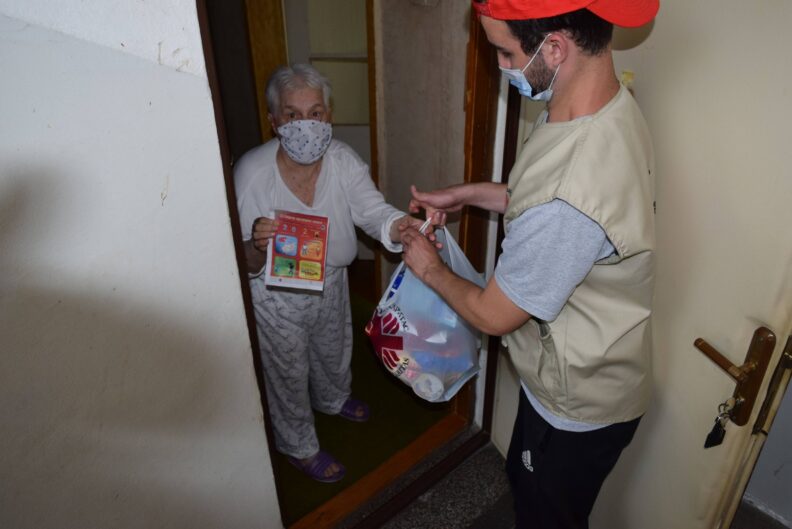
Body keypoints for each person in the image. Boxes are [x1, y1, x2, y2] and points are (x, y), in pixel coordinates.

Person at [400, 0, 659, 527]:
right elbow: (538, 194)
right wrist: (469, 194)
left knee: (546, 516)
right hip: (576, 370)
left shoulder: (571, 193)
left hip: (575, 406)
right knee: (526, 485)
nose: (500, 66)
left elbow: (495, 315)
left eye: (504, 51)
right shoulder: (601, 106)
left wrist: (428, 267)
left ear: (555, 47)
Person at [234, 63, 426, 483]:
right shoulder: (251, 173)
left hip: (331, 282)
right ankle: (298, 446)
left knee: (333, 349)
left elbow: (372, 211)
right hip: (274, 293)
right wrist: (256, 245)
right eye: (292, 114)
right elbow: (241, 263)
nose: (306, 124)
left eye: (315, 112)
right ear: (273, 121)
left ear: (328, 116)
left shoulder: (342, 160)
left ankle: (333, 398)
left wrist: (399, 226)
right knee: (286, 371)